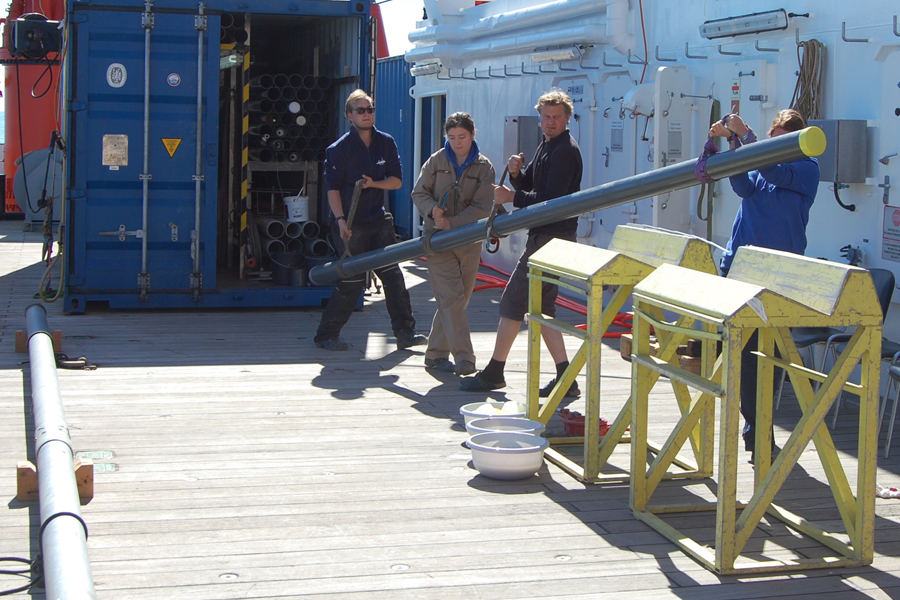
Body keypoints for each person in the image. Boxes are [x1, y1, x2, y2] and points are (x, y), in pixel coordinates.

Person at [711, 109, 819, 462]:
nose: (774, 145)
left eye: (781, 140)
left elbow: (772, 169)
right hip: (742, 268)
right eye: (772, 139)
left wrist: (748, 136)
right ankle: (756, 432)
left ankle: (759, 432)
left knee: (767, 357)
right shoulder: (763, 161)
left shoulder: (805, 168)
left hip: (776, 276)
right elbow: (741, 184)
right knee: (744, 356)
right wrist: (732, 141)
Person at [460, 90, 583, 395]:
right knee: (543, 309)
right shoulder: (548, 145)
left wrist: (512, 196)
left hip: (551, 237)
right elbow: (535, 186)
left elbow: (550, 200)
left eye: (556, 117)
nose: (550, 122)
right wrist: (517, 175)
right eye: (546, 117)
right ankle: (566, 380)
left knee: (513, 302)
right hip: (551, 236)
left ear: (567, 118)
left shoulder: (565, 150)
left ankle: (494, 373)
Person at [314, 89, 427, 352]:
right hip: (350, 223)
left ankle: (405, 332)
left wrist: (372, 184)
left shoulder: (386, 142)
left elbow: (396, 182)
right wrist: (341, 221)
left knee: (394, 277)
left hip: (378, 221)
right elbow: (332, 189)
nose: (367, 114)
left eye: (370, 109)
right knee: (351, 281)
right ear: (349, 116)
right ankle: (326, 335)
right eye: (361, 110)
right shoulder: (338, 149)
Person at [412, 112, 495, 376]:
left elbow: (484, 206)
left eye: (462, 137)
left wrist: (454, 222)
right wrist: (432, 210)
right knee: (451, 298)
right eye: (451, 137)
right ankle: (464, 358)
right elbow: (418, 192)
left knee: (457, 301)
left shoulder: (485, 167)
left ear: (473, 134)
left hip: (469, 241)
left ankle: (435, 354)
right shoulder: (436, 161)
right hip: (437, 240)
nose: (457, 143)